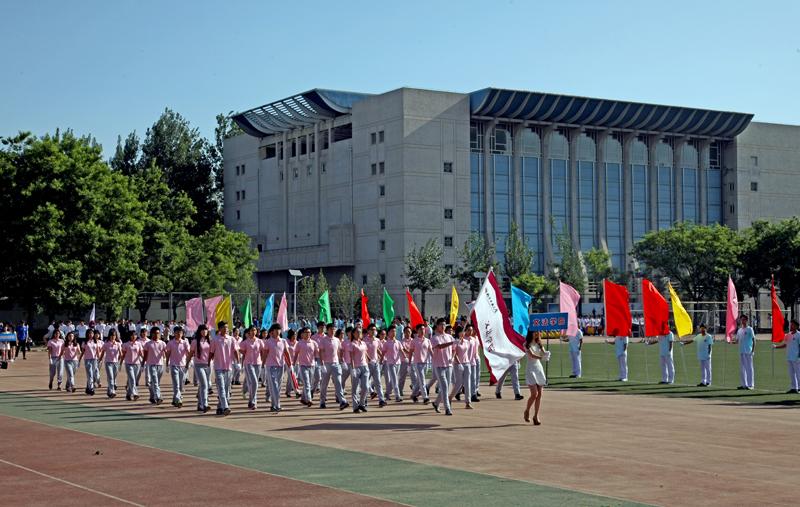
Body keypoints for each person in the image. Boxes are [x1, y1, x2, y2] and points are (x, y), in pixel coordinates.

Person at [209, 321, 238, 416]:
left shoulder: (231, 339)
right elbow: (211, 352)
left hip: (228, 367)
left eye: (227, 327)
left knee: (226, 388)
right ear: (219, 329)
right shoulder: (215, 340)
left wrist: (238, 362)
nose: (226, 329)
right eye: (224, 327)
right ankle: (225, 407)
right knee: (221, 387)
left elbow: (235, 351)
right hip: (218, 367)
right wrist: (208, 363)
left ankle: (220, 407)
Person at [430, 318, 456, 415]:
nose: (443, 326)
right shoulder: (434, 338)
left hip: (448, 365)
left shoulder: (449, 337)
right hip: (439, 365)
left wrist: (452, 357)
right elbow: (440, 346)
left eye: (444, 324)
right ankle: (447, 408)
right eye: (441, 324)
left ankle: (436, 403)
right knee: (444, 386)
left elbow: (454, 349)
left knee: (446, 387)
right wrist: (452, 343)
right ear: (437, 326)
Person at [319, 323, 348, 410]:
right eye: (331, 329)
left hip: (336, 364)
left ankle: (342, 401)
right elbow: (321, 352)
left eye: (334, 329)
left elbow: (339, 351)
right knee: (324, 384)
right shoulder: (323, 340)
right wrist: (322, 364)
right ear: (327, 330)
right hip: (326, 364)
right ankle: (322, 401)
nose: (333, 331)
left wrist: (342, 361)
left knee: (338, 383)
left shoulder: (337, 340)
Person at [263, 323, 290, 413]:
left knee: (278, 386)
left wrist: (290, 364)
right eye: (276, 329)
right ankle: (277, 405)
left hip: (280, 366)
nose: (278, 331)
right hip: (271, 366)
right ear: (272, 331)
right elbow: (265, 353)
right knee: (274, 385)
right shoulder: (268, 342)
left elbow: (286, 352)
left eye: (279, 329)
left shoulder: (283, 341)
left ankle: (273, 405)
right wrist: (263, 364)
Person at [523, 331, 547, 425]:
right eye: (535, 332)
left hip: (538, 368)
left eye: (538, 332)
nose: (537, 333)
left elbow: (544, 353)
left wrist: (546, 354)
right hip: (531, 369)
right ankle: (527, 410)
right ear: (531, 333)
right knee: (534, 394)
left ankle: (536, 416)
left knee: (539, 394)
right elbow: (532, 355)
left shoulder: (539, 343)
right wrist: (541, 358)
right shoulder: (526, 344)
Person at [188, 325, 212, 412]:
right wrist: (187, 364)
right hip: (199, 365)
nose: (204, 331)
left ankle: (199, 404)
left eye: (206, 330)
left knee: (204, 385)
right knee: (204, 385)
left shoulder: (210, 341)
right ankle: (205, 404)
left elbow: (213, 353)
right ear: (199, 331)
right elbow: (191, 353)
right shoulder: (195, 341)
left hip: (208, 365)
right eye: (202, 330)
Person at [239, 326, 264, 410]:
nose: (253, 332)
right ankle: (253, 401)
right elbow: (240, 349)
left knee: (253, 383)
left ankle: (251, 400)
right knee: (254, 382)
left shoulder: (259, 341)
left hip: (258, 363)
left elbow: (263, 351)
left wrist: (263, 361)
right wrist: (245, 353)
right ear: (249, 332)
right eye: (252, 330)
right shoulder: (245, 342)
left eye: (255, 330)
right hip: (248, 363)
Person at [165, 326, 190, 408]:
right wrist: (167, 364)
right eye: (177, 332)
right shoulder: (170, 343)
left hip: (183, 366)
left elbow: (188, 353)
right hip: (174, 365)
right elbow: (168, 354)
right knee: (176, 384)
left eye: (180, 333)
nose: (179, 334)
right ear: (174, 333)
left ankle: (174, 399)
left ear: (182, 334)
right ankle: (178, 400)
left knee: (181, 385)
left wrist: (188, 363)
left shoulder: (185, 343)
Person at [773, 319, 800, 393]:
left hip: (796, 358)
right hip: (789, 357)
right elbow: (785, 345)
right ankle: (794, 388)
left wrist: (799, 357)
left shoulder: (799, 335)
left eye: (792, 325)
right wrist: (776, 347)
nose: (791, 326)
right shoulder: (788, 335)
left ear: (796, 326)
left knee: (798, 373)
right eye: (791, 324)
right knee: (791, 374)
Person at [363, 324, 386, 407]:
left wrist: (381, 357)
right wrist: (368, 360)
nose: (374, 331)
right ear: (368, 331)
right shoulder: (364, 340)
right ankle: (364, 400)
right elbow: (364, 352)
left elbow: (377, 349)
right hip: (367, 364)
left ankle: (381, 400)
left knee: (378, 382)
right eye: (372, 329)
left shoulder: (377, 340)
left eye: (375, 330)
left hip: (376, 363)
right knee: (365, 383)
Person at [449, 326, 473, 409]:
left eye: (464, 331)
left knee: (467, 383)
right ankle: (450, 397)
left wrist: (468, 362)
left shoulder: (466, 342)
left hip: (467, 364)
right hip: (458, 364)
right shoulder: (455, 342)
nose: (463, 333)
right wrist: (459, 363)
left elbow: (467, 353)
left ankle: (468, 402)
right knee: (458, 383)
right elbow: (454, 353)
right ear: (458, 333)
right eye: (461, 331)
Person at [294, 327, 317, 407]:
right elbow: (296, 354)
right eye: (306, 332)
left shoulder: (314, 343)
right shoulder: (299, 343)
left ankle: (303, 398)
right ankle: (309, 399)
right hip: (303, 365)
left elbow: (316, 354)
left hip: (312, 365)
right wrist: (293, 364)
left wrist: (319, 363)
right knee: (307, 383)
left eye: (309, 332)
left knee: (309, 383)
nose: (308, 334)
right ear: (302, 334)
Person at [142, 327, 167, 404]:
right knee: (155, 382)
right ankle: (158, 397)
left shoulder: (163, 343)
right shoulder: (148, 344)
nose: (156, 335)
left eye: (158, 333)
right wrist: (142, 364)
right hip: (151, 365)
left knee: (156, 382)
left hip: (160, 365)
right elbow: (145, 355)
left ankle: (152, 396)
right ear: (151, 334)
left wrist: (168, 362)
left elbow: (166, 353)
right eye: (155, 333)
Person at [408, 324, 431, 404]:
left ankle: (413, 395)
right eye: (421, 329)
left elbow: (431, 351)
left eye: (424, 329)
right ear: (417, 331)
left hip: (426, 363)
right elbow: (410, 352)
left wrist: (435, 359)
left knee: (419, 381)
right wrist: (409, 363)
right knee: (422, 381)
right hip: (417, 363)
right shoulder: (414, 341)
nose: (422, 330)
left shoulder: (427, 340)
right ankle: (425, 397)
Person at [348, 327, 370, 413]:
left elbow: (365, 353)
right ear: (353, 334)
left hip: (364, 366)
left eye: (360, 332)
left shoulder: (363, 343)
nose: (359, 334)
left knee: (365, 387)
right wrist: (353, 368)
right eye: (357, 332)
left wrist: (369, 360)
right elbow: (351, 357)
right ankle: (355, 407)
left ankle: (361, 403)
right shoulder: (352, 344)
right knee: (355, 388)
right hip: (356, 367)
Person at [380, 325, 403, 403]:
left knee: (393, 379)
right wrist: (381, 361)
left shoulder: (398, 342)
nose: (394, 332)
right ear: (388, 333)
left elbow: (401, 350)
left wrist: (405, 357)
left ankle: (387, 393)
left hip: (398, 363)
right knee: (395, 380)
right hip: (390, 363)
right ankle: (397, 396)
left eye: (395, 331)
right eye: (392, 331)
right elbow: (383, 353)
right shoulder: (386, 343)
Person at [732, 315, 755, 390]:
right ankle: (743, 384)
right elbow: (737, 341)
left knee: (749, 368)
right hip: (741, 351)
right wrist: (731, 341)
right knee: (742, 369)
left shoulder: (750, 329)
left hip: (748, 351)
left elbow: (754, 340)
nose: (742, 321)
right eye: (741, 320)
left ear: (746, 320)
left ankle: (750, 385)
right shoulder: (739, 330)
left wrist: (753, 351)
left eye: (744, 320)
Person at [99, 329, 122, 398]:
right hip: (108, 363)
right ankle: (112, 391)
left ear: (116, 336)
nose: (113, 337)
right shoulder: (106, 344)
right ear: (109, 336)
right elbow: (102, 353)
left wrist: (119, 360)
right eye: (111, 335)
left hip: (115, 363)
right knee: (111, 377)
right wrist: (99, 360)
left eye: (114, 335)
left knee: (113, 377)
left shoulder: (118, 344)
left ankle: (109, 390)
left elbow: (121, 354)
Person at [121, 331, 143, 401]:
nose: (134, 336)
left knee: (133, 380)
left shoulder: (139, 344)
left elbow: (141, 353)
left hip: (137, 364)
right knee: (132, 379)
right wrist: (120, 363)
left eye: (135, 335)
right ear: (129, 336)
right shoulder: (126, 344)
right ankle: (135, 393)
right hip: (128, 364)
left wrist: (144, 361)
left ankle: (128, 394)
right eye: (132, 335)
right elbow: (123, 354)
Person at [79, 329, 102, 395]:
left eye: (92, 333)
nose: (90, 335)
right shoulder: (85, 342)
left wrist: (99, 359)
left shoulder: (95, 342)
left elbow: (97, 351)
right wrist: (79, 359)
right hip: (87, 360)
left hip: (94, 359)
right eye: (89, 333)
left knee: (95, 373)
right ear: (87, 334)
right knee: (90, 374)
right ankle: (91, 388)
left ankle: (88, 388)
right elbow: (83, 351)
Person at [398, 326, 415, 397]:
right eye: (406, 332)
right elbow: (404, 350)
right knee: (402, 377)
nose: (408, 333)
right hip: (404, 361)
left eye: (409, 332)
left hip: (412, 361)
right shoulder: (401, 341)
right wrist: (411, 352)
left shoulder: (413, 341)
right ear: (404, 333)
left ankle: (415, 391)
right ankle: (400, 390)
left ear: (411, 332)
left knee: (414, 376)